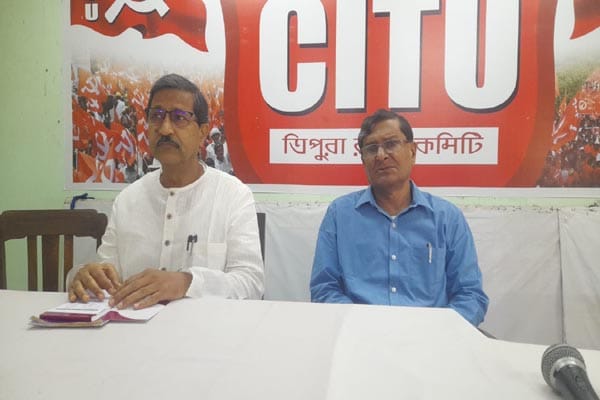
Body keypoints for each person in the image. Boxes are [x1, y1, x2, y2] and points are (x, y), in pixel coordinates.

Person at [67, 73, 264, 308]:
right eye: (156, 116)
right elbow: (106, 275)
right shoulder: (128, 200)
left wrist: (187, 282)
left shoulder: (233, 196)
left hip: (206, 328)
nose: (165, 128)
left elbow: (251, 284)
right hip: (133, 327)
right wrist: (87, 277)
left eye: (180, 118)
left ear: (202, 132)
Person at [310, 109, 488, 326]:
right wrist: (361, 326)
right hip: (360, 335)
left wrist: (437, 333)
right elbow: (324, 289)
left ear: (412, 151)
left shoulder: (447, 218)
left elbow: (470, 296)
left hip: (430, 338)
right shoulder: (340, 215)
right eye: (371, 148)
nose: (381, 155)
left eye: (391, 144)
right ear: (363, 159)